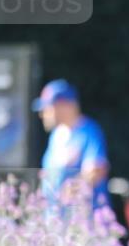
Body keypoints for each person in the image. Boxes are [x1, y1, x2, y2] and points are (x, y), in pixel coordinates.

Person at [32, 79, 110, 210]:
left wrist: (69, 193)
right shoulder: (56, 135)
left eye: (48, 107)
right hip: (56, 220)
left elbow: (96, 170)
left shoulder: (89, 132)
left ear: (66, 106)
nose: (43, 114)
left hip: (84, 221)